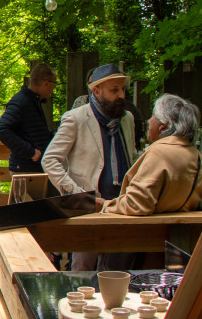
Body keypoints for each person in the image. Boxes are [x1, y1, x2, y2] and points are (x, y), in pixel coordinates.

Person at [42, 63, 138, 270]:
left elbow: (131, 157)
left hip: (121, 207)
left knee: (116, 272)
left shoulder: (127, 118)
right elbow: (50, 160)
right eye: (114, 90)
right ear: (96, 90)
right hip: (88, 207)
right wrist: (79, 196)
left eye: (122, 89)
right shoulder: (76, 118)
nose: (121, 95)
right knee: (82, 271)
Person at [103, 94, 202, 216]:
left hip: (150, 230)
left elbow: (136, 205)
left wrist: (105, 205)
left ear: (163, 125)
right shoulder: (195, 154)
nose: (149, 121)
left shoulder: (159, 153)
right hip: (179, 228)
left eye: (153, 116)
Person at [0, 63, 56, 174]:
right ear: (46, 83)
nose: (54, 87)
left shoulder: (33, 101)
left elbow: (31, 133)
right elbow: (1, 129)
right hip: (24, 170)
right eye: (54, 83)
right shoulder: (21, 101)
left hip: (32, 169)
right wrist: (30, 152)